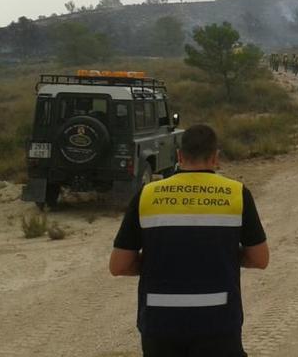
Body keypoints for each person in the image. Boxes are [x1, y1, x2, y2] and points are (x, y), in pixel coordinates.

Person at [110, 124, 270, 357]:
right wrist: (223, 254)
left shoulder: (147, 195)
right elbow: (260, 259)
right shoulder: (236, 193)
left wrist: (158, 259)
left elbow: (119, 265)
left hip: (160, 325)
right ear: (216, 157)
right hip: (218, 323)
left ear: (179, 156)